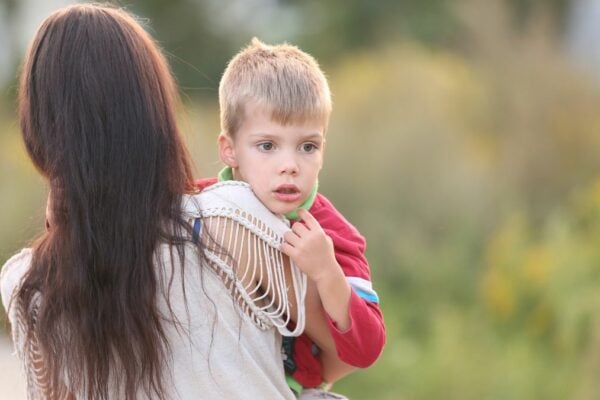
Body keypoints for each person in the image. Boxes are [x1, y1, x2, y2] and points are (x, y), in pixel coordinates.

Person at [0, 5, 303, 399]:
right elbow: (332, 344)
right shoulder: (232, 220)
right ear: (153, 110)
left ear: (39, 124)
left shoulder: (29, 286)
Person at [195, 38, 386, 398]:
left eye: (307, 147)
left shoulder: (330, 235)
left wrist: (326, 272)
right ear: (229, 149)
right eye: (267, 146)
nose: (290, 166)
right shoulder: (196, 202)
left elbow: (367, 349)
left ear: (323, 151)